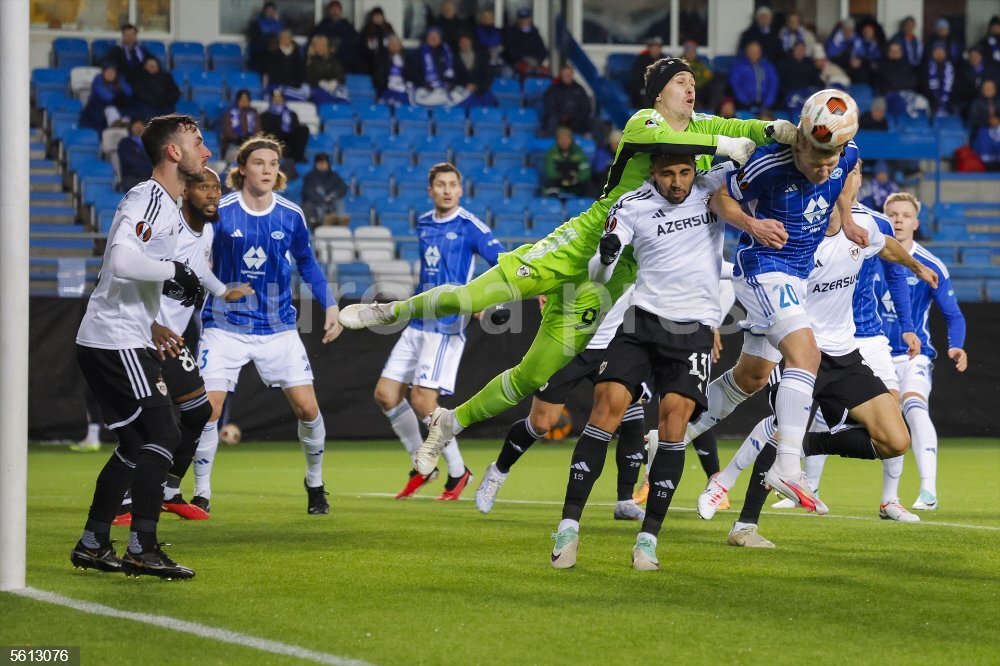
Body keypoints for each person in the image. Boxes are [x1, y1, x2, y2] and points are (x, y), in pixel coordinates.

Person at [339, 57, 795, 479]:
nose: (690, 90)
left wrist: (780, 130)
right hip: (581, 243)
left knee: (534, 375)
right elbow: (668, 142)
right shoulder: (645, 121)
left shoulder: (703, 126)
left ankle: (448, 423)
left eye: (694, 83)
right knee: (467, 297)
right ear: (658, 93)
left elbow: (746, 127)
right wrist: (723, 143)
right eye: (680, 82)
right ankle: (392, 310)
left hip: (615, 273)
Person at [699, 193, 937, 544]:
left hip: (846, 354)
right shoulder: (794, 240)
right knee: (783, 432)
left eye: (846, 176)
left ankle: (806, 447)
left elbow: (886, 246)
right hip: (801, 353)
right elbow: (757, 282)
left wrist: (916, 266)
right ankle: (744, 525)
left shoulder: (863, 228)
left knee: (896, 440)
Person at [681, 89, 870, 512]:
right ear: (800, 141)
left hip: (796, 277)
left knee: (750, 378)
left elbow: (843, 178)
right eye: (815, 161)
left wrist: (851, 219)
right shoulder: (769, 162)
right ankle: (786, 464)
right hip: (763, 267)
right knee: (806, 354)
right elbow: (718, 196)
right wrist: (752, 223)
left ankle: (671, 435)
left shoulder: (845, 154)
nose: (824, 171)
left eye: (831, 162)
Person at [549, 155, 740, 569]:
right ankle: (568, 527)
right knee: (604, 411)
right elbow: (600, 275)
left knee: (674, 425)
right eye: (668, 174)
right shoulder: (631, 205)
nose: (677, 182)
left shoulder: (713, 188)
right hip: (640, 322)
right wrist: (606, 255)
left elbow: (752, 151)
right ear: (653, 171)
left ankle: (648, 539)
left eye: (684, 173)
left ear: (695, 170)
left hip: (693, 331)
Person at [71, 113, 210, 580]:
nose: (206, 152)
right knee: (164, 436)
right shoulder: (150, 196)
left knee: (134, 445)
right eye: (197, 142)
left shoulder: (166, 205)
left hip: (119, 335)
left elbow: (121, 274)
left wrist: (153, 315)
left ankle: (93, 543)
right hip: (115, 341)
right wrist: (176, 272)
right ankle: (142, 548)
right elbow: (123, 259)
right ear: (173, 151)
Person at [192, 136, 342, 515]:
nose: (267, 169)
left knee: (308, 409)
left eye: (273, 164)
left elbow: (307, 263)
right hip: (224, 325)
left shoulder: (291, 215)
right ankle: (202, 491)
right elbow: (197, 258)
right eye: (259, 163)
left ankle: (315, 483)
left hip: (277, 327)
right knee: (208, 410)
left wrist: (331, 305)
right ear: (242, 168)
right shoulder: (220, 210)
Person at [375, 163, 502, 500]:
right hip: (417, 321)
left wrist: (482, 298)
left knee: (422, 401)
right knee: (386, 395)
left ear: (461, 190)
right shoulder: (424, 224)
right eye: (440, 185)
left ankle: (458, 473)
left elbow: (502, 261)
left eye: (452, 185)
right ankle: (425, 465)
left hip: (446, 327)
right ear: (430, 191)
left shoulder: (470, 226)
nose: (447, 190)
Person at [475, 286, 647, 520]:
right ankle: (497, 472)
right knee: (541, 424)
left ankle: (625, 500)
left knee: (631, 413)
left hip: (613, 346)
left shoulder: (634, 251)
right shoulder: (581, 250)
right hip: (568, 344)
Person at [150, 168, 254, 520]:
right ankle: (124, 501)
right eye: (203, 187)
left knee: (199, 412)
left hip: (174, 342)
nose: (212, 194)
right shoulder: (166, 229)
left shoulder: (206, 231)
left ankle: (169, 491)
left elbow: (197, 268)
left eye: (216, 188)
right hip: (141, 337)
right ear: (184, 191)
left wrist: (224, 290)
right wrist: (148, 323)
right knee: (148, 425)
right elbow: (127, 272)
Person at [880, 192, 967, 510]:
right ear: (883, 218)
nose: (898, 220)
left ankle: (927, 492)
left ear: (916, 223)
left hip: (912, 356)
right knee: (824, 413)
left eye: (905, 215)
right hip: (870, 353)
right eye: (892, 214)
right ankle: (811, 490)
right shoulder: (866, 255)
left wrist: (955, 345)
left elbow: (953, 314)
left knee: (915, 409)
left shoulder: (931, 265)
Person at [409, 26, 470, 108]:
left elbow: (462, 73)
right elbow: (412, 73)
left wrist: (453, 84)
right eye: (431, 36)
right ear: (426, 38)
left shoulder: (450, 54)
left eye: (436, 36)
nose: (433, 38)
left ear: (440, 38)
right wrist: (423, 84)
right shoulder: (417, 54)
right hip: (427, 89)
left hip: (448, 90)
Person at [260, 89, 309, 163]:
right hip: (276, 141)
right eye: (275, 99)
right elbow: (267, 131)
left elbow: (295, 128)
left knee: (304, 129)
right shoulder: (265, 115)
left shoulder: (292, 114)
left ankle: (298, 157)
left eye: (280, 99)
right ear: (271, 100)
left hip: (290, 142)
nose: (278, 101)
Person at [79, 63, 132, 131]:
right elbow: (106, 96)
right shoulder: (98, 80)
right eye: (107, 71)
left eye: (113, 71)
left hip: (112, 114)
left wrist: (121, 82)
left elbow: (129, 92)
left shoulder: (119, 80)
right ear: (103, 72)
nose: (110, 74)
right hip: (95, 115)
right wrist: (117, 95)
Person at [729, 41, 779, 112]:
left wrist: (767, 103)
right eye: (751, 51)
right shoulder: (739, 66)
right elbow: (735, 85)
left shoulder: (767, 66)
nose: (754, 54)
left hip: (765, 104)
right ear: (747, 52)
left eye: (757, 52)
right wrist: (745, 101)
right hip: (744, 104)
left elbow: (773, 85)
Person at [543, 65, 593, 135]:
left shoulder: (579, 89)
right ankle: (552, 144)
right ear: (561, 75)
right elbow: (550, 108)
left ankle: (600, 145)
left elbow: (586, 107)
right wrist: (563, 117)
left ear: (572, 75)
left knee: (596, 122)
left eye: (569, 74)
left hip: (577, 119)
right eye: (565, 74)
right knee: (552, 120)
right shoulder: (554, 89)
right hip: (560, 120)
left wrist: (577, 118)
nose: (567, 76)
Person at [301, 153, 349, 227]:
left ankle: (339, 221)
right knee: (307, 206)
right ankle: (319, 222)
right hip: (315, 206)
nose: (322, 165)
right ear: (316, 164)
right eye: (319, 163)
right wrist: (322, 200)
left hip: (331, 205)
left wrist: (332, 196)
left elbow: (342, 188)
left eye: (324, 163)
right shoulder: (310, 177)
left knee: (339, 200)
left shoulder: (334, 176)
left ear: (328, 164)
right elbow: (308, 192)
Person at [543, 127, 591, 197]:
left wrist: (576, 178)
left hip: (576, 182)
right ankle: (553, 205)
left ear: (571, 139)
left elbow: (585, 170)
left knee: (588, 184)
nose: (564, 141)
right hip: (558, 182)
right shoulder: (551, 152)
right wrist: (562, 176)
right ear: (557, 140)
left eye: (566, 138)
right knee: (549, 183)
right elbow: (550, 171)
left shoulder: (578, 152)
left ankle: (586, 204)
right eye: (561, 139)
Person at [312, 0, 359, 73]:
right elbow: (317, 38)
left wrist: (339, 45)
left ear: (340, 11)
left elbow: (353, 40)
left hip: (343, 56)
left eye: (337, 9)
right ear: (329, 11)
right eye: (332, 9)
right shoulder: (323, 24)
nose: (334, 11)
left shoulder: (347, 25)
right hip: (326, 56)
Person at [130, 56, 180, 121]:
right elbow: (139, 93)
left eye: (154, 65)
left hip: (165, 105)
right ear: (145, 66)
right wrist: (153, 100)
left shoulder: (166, 77)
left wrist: (165, 100)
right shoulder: (140, 78)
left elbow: (175, 92)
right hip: (146, 105)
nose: (152, 67)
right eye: (150, 65)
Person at [777, 40, 823, 111]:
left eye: (803, 50)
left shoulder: (808, 63)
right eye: (798, 49)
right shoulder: (785, 63)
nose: (800, 52)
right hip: (792, 93)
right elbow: (781, 84)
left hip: (807, 92)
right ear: (794, 50)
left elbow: (816, 79)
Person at [503, 8, 549, 77]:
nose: (524, 21)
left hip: (534, 64)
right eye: (522, 19)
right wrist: (524, 58)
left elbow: (543, 51)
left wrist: (537, 60)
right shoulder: (512, 32)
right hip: (516, 64)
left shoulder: (534, 32)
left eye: (526, 19)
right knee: (507, 73)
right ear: (518, 20)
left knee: (545, 74)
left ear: (530, 19)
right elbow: (510, 51)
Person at [455, 34, 496, 108]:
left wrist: (477, 87)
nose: (464, 44)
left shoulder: (482, 57)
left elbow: (489, 76)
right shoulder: (454, 59)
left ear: (471, 43)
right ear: (459, 45)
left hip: (481, 92)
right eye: (462, 42)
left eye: (466, 42)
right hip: (461, 92)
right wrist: (465, 85)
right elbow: (454, 77)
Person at [305, 34, 348, 104]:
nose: (319, 48)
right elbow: (308, 78)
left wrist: (334, 82)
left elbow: (341, 77)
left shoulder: (334, 59)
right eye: (317, 45)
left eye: (322, 45)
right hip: (317, 89)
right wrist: (320, 83)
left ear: (326, 46)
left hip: (334, 87)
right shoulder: (311, 61)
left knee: (342, 95)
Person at [921, 43, 959, 117]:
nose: (939, 54)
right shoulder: (925, 68)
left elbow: (956, 87)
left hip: (949, 102)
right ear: (932, 53)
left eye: (941, 51)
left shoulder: (952, 68)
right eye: (936, 51)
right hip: (930, 101)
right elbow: (923, 86)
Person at [221, 90, 260, 162]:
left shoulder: (253, 112)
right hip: (234, 144)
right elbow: (227, 131)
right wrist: (237, 138)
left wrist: (250, 138)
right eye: (242, 100)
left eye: (246, 100)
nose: (244, 102)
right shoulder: (229, 112)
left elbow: (258, 130)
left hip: (251, 145)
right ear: (237, 101)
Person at [266, 29, 307, 93]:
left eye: (287, 38)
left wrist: (295, 84)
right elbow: (272, 72)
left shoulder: (297, 54)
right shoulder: (274, 53)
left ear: (291, 39)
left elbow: (300, 71)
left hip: (295, 86)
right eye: (283, 38)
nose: (285, 40)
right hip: (278, 85)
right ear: (280, 40)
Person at [118, 118, 153, 191]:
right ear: (131, 128)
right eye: (136, 127)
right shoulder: (125, 142)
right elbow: (126, 160)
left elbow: (153, 160)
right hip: (130, 177)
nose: (138, 129)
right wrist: (143, 162)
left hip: (148, 178)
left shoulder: (150, 143)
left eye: (141, 126)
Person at [373, 35, 410, 106]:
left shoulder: (406, 59)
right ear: (388, 46)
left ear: (400, 46)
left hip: (403, 90)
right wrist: (389, 85)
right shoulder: (382, 59)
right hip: (386, 89)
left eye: (397, 44)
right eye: (392, 44)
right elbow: (379, 78)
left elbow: (410, 76)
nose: (394, 46)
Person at [247, 1, 283, 73]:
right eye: (268, 10)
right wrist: (267, 42)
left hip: (274, 55)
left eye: (272, 10)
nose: (270, 12)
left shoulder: (278, 24)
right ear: (265, 11)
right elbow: (254, 40)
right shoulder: (256, 23)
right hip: (259, 55)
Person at [629, 37, 665, 109]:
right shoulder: (641, 60)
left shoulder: (665, 60)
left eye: (657, 48)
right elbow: (636, 79)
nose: (655, 50)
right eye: (653, 48)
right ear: (649, 48)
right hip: (644, 90)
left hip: (661, 90)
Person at [360, 7, 397, 75]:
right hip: (371, 60)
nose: (377, 18)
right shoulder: (367, 29)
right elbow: (362, 46)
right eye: (375, 16)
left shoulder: (388, 28)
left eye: (379, 15)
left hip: (387, 59)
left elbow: (394, 42)